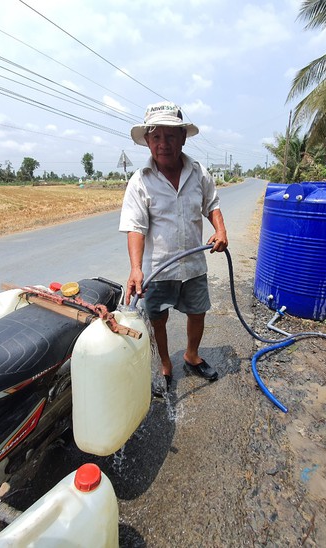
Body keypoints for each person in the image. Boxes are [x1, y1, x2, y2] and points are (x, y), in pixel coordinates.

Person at [119, 101, 228, 391]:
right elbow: (136, 227)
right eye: (156, 137)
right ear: (147, 142)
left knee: (198, 312)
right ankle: (165, 363)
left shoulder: (199, 173)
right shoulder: (140, 182)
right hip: (158, 268)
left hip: (193, 264)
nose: (163, 144)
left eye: (170, 136)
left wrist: (220, 229)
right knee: (157, 318)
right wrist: (135, 269)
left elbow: (212, 204)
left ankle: (191, 356)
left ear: (182, 138)